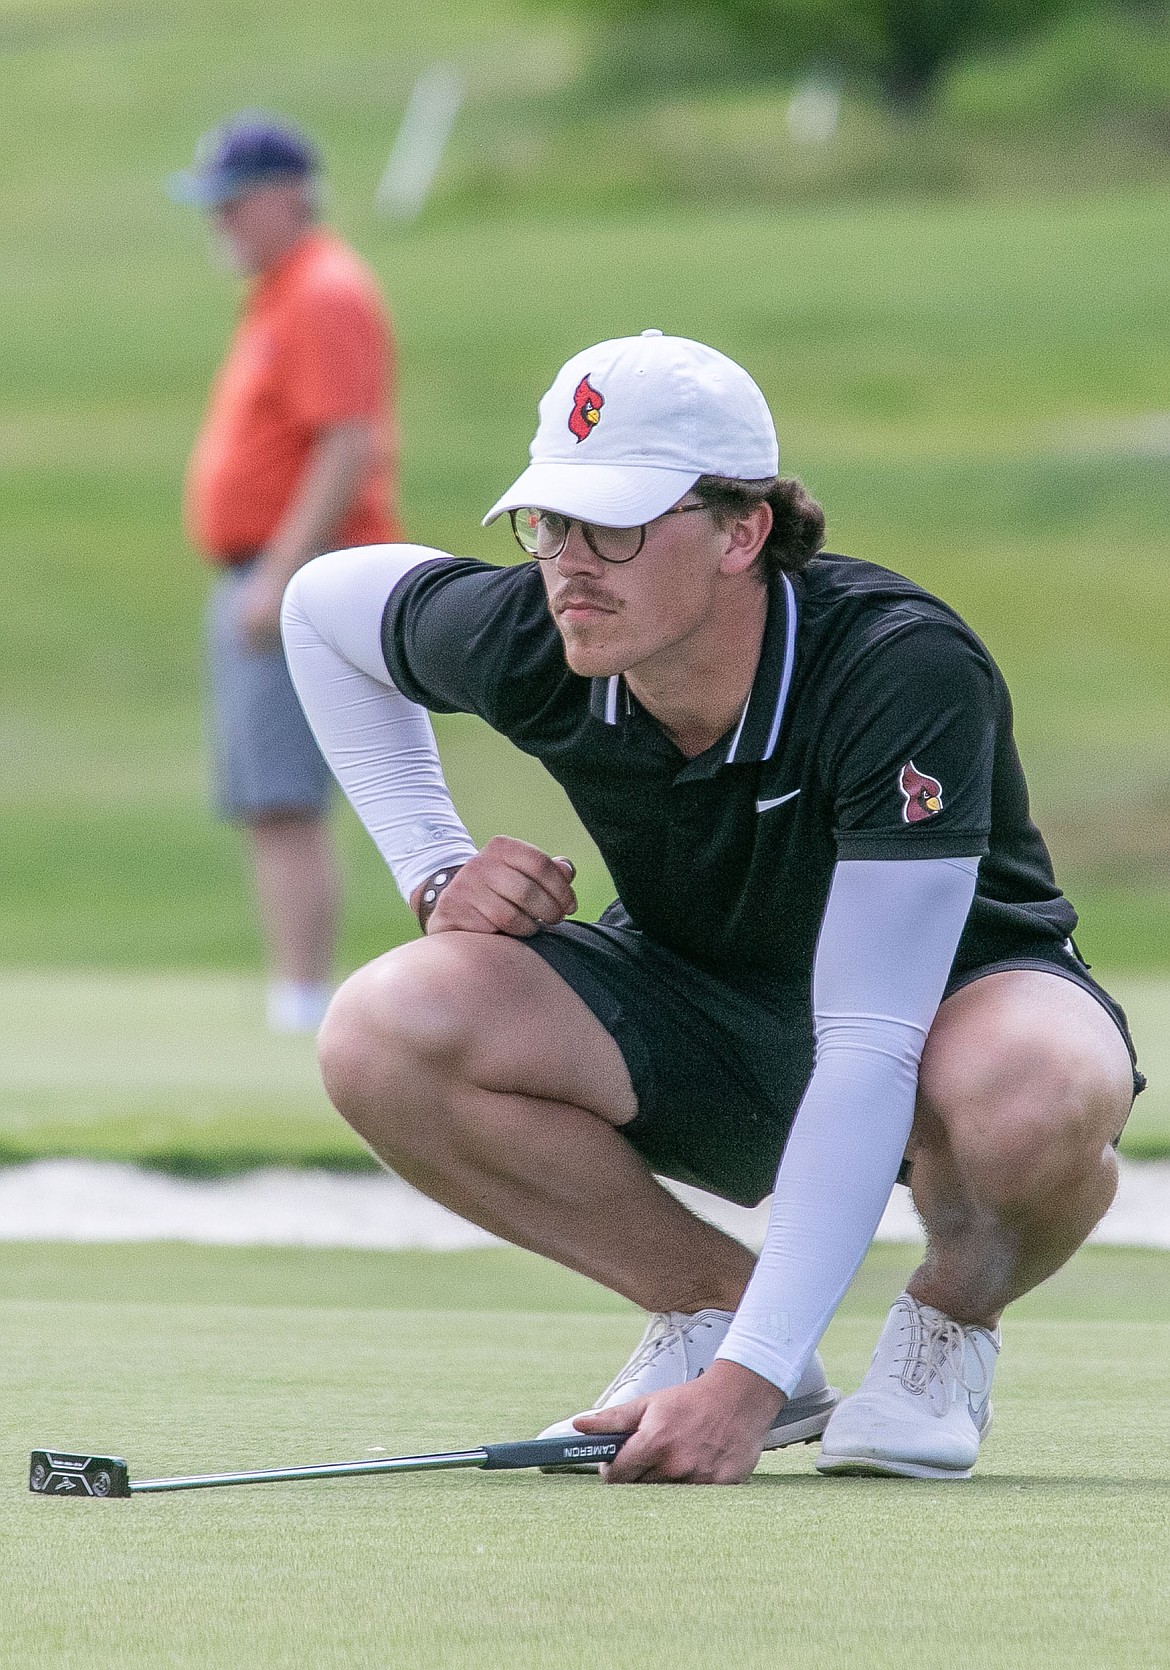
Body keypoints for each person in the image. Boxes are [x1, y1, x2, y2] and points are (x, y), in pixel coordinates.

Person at [280, 330, 1143, 1483]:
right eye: (549, 522)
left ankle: (943, 1328)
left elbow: (871, 1041)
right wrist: (434, 867)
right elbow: (321, 605)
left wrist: (735, 1387)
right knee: (384, 1028)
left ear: (744, 530)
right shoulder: (547, 630)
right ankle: (712, 1307)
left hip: (949, 1011)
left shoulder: (899, 668)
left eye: (618, 526)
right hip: (700, 999)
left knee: (1037, 1086)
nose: (571, 564)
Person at [170, 114, 400, 1032]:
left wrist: (276, 575)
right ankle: (297, 996)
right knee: (269, 795)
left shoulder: (324, 290)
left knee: (282, 797)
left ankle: (302, 1004)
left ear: (287, 195)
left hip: (298, 575)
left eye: (232, 203)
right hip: (270, 569)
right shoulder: (282, 291)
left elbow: (348, 442)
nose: (218, 222)